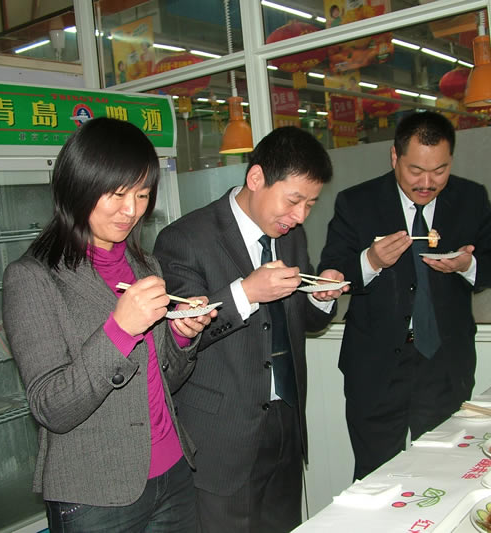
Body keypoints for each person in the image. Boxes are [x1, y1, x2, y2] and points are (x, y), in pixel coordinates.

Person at [2, 117, 216, 533]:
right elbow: (50, 407)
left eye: (142, 195)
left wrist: (179, 335)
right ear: (78, 186)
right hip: (95, 492)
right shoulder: (32, 278)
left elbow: (163, 382)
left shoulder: (145, 265)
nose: (131, 210)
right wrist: (120, 329)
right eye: (117, 194)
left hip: (173, 470)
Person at [153, 126, 348, 533]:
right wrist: (245, 293)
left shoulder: (291, 237)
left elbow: (304, 322)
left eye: (311, 204)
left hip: (286, 419)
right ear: (256, 178)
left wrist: (321, 297)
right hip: (223, 436)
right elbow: (181, 340)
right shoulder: (185, 239)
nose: (300, 216)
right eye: (293, 200)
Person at [318, 111, 491, 481]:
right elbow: (331, 272)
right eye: (415, 171)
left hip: (444, 362)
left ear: (451, 161)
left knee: (444, 473)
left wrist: (467, 265)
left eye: (439, 171)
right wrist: (371, 261)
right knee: (376, 478)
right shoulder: (357, 202)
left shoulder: (470, 198)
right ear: (395, 157)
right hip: (375, 367)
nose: (427, 183)